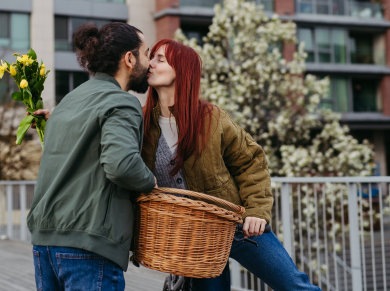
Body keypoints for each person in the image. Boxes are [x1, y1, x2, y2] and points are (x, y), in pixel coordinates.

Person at [142, 39, 321, 291]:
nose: (150, 64)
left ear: (181, 70)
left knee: (294, 285)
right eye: (151, 57)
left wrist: (257, 212)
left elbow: (251, 163)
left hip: (238, 226)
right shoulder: (141, 123)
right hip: (195, 238)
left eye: (160, 59)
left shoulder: (212, 118)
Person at [27, 22, 156, 291]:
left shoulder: (70, 100)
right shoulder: (122, 102)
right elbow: (121, 165)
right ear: (129, 59)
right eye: (146, 53)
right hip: (89, 246)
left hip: (45, 243)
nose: (150, 62)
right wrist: (150, 181)